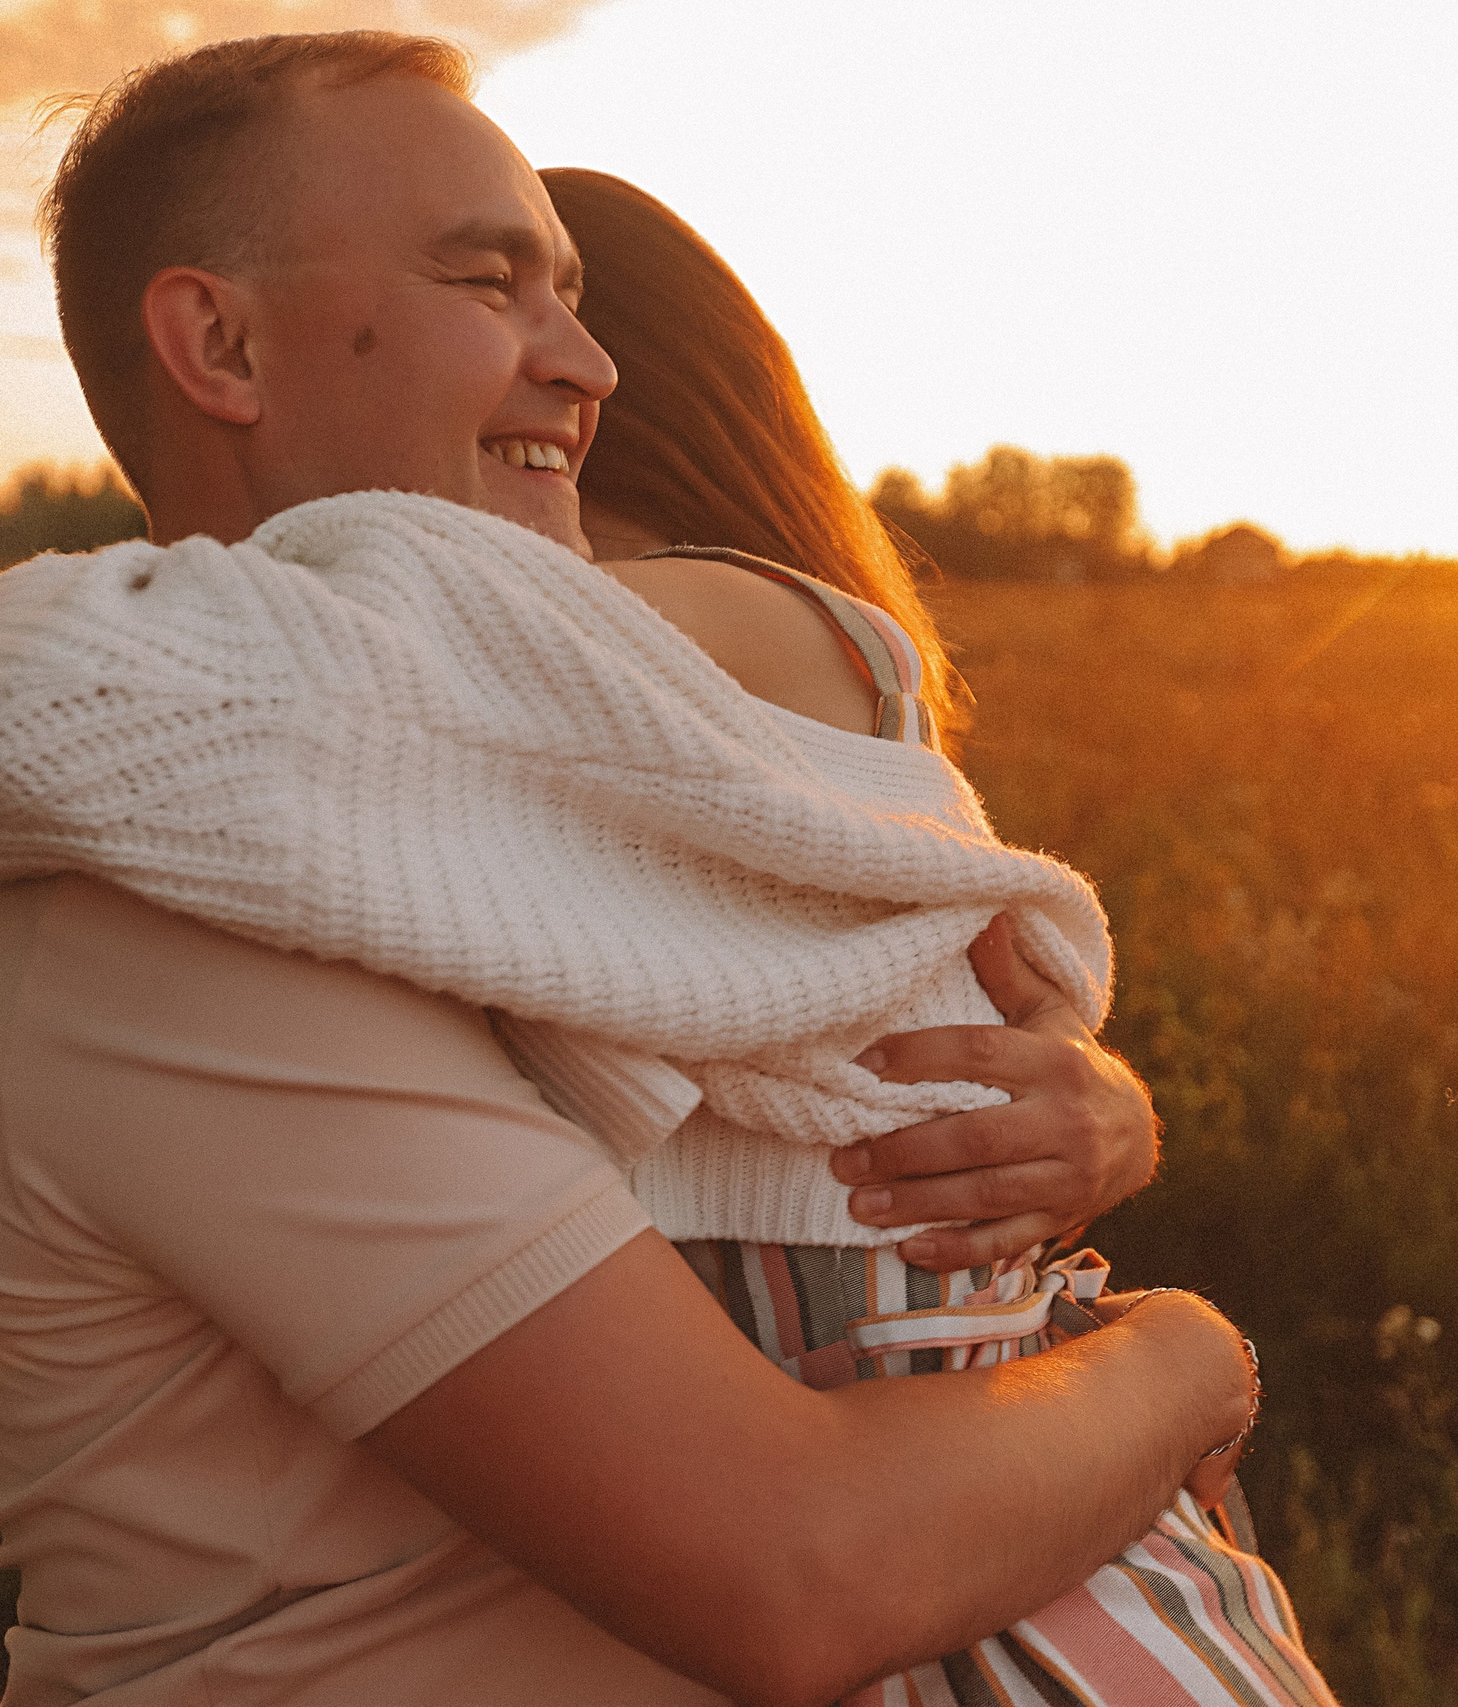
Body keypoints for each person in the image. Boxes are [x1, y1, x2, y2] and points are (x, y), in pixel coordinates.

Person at [0, 31, 1264, 1706]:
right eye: (493, 282)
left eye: (575, 294)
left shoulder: (446, 819)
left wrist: (1088, 1104)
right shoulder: (156, 880)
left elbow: (828, 1018)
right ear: (218, 343)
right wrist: (1189, 1362)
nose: (589, 365)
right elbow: (796, 1565)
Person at [541, 164, 1341, 1705]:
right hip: (984, 1538)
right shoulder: (717, 696)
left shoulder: (701, 625)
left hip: (974, 1574)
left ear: (597, 367)